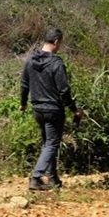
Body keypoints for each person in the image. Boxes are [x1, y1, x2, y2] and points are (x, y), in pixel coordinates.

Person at [20, 27, 82, 191]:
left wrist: (23, 103)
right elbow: (64, 90)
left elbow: (24, 84)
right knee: (52, 144)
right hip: (53, 110)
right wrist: (74, 109)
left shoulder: (31, 60)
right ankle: (36, 177)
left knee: (48, 144)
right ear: (56, 41)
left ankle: (53, 178)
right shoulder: (56, 63)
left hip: (37, 109)